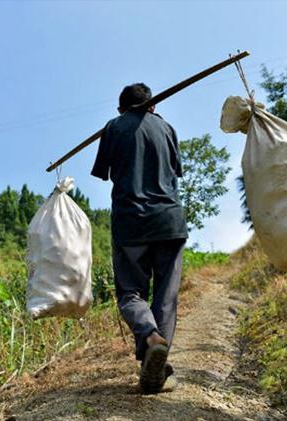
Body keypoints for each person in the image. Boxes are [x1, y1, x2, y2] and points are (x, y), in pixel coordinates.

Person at [91, 82, 188, 394]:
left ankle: (148, 337)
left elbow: (103, 171)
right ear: (153, 106)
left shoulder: (113, 128)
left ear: (121, 109)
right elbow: (176, 170)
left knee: (131, 293)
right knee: (166, 296)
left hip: (131, 223)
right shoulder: (167, 129)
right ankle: (159, 365)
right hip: (169, 221)